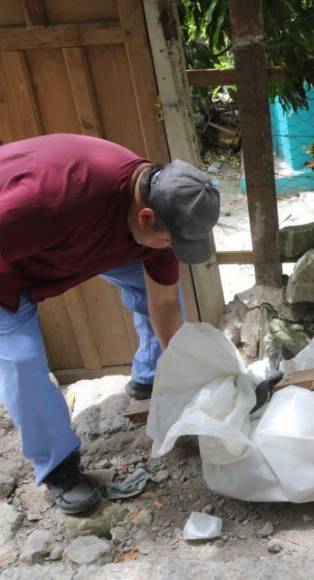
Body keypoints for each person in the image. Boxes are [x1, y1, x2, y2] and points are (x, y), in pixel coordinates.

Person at [0, 133, 220, 514]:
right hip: (8, 264)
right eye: (171, 241)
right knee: (19, 359)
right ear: (146, 217)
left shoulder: (158, 203)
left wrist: (182, 373)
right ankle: (58, 467)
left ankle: (153, 374)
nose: (173, 250)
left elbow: (164, 300)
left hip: (73, 242)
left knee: (153, 285)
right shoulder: (49, 201)